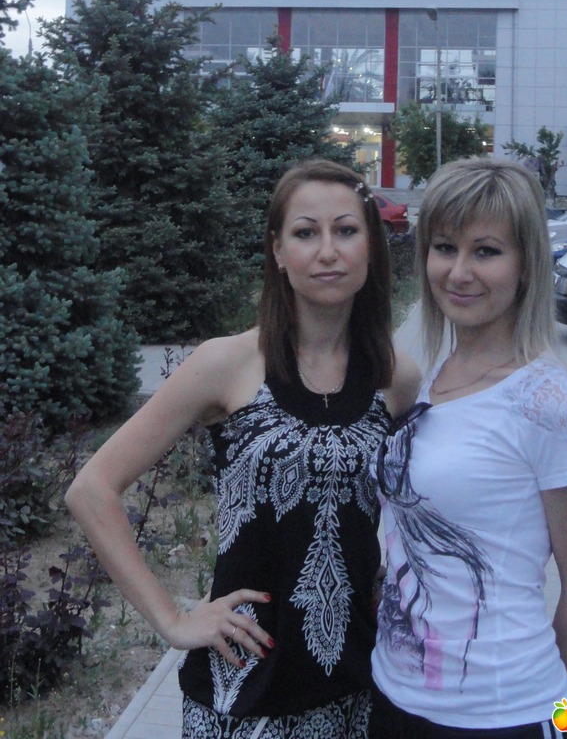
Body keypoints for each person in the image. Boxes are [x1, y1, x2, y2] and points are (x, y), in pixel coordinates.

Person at [66, 158, 420, 739]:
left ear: (371, 249)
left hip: (360, 685)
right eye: (305, 232)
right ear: (278, 250)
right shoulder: (227, 364)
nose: (327, 251)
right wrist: (173, 619)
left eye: (345, 230)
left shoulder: (395, 377)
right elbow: (91, 490)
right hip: (243, 689)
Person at [370, 157, 567, 739]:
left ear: (526, 265)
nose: (459, 272)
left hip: (506, 714)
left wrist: (560, 713)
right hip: (393, 699)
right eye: (445, 247)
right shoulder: (434, 376)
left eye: (486, 251)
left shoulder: (552, 404)